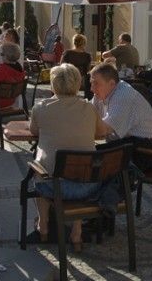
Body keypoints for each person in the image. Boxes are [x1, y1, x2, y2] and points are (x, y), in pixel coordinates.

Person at [30, 63, 108, 251]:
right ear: (78, 83)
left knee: (40, 169)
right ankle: (76, 231)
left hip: (51, 187)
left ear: (53, 84)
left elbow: (34, 131)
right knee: (80, 167)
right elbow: (101, 133)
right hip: (87, 186)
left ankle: (43, 224)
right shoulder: (89, 108)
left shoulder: (40, 107)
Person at [90, 62, 152, 159]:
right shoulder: (101, 94)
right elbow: (87, 114)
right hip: (133, 146)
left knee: (91, 159)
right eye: (91, 83)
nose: (91, 88)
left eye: (96, 83)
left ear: (111, 83)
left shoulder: (123, 96)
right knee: (90, 156)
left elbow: (103, 131)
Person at [60, 34, 93, 99]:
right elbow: (88, 69)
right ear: (84, 44)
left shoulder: (67, 53)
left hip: (68, 80)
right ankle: (88, 99)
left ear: (74, 42)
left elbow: (61, 66)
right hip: (81, 82)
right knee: (90, 77)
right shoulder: (87, 55)